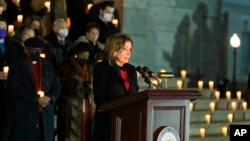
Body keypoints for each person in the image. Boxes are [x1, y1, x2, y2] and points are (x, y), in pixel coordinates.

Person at [7, 37, 61, 141]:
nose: (36, 53)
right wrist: (36, 99)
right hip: (26, 111)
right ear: (26, 50)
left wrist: (50, 97)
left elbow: (57, 84)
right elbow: (16, 88)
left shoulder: (47, 65)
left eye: (39, 51)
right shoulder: (18, 65)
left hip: (45, 112)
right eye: (33, 51)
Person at [92, 33, 139, 141]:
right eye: (124, 49)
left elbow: (135, 95)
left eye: (130, 49)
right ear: (114, 49)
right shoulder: (102, 67)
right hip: (108, 123)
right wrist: (121, 104)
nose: (128, 53)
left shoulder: (131, 70)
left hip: (129, 123)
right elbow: (99, 97)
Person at [57, 42, 95, 141]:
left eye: (87, 56)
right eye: (84, 55)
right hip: (71, 105)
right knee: (71, 132)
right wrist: (79, 87)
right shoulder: (65, 66)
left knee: (87, 130)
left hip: (87, 103)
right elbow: (62, 86)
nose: (86, 58)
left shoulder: (90, 66)